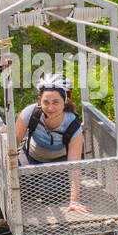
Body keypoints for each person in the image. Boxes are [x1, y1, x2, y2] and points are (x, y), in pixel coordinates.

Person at [13, 73, 89, 214]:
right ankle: (34, 183)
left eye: (56, 102)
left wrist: (74, 201)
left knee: (51, 194)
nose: (50, 108)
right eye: (45, 102)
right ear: (40, 100)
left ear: (65, 101)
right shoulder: (30, 113)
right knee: (22, 189)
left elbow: (74, 165)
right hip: (31, 156)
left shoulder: (73, 125)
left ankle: (44, 184)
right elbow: (11, 147)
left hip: (57, 160)